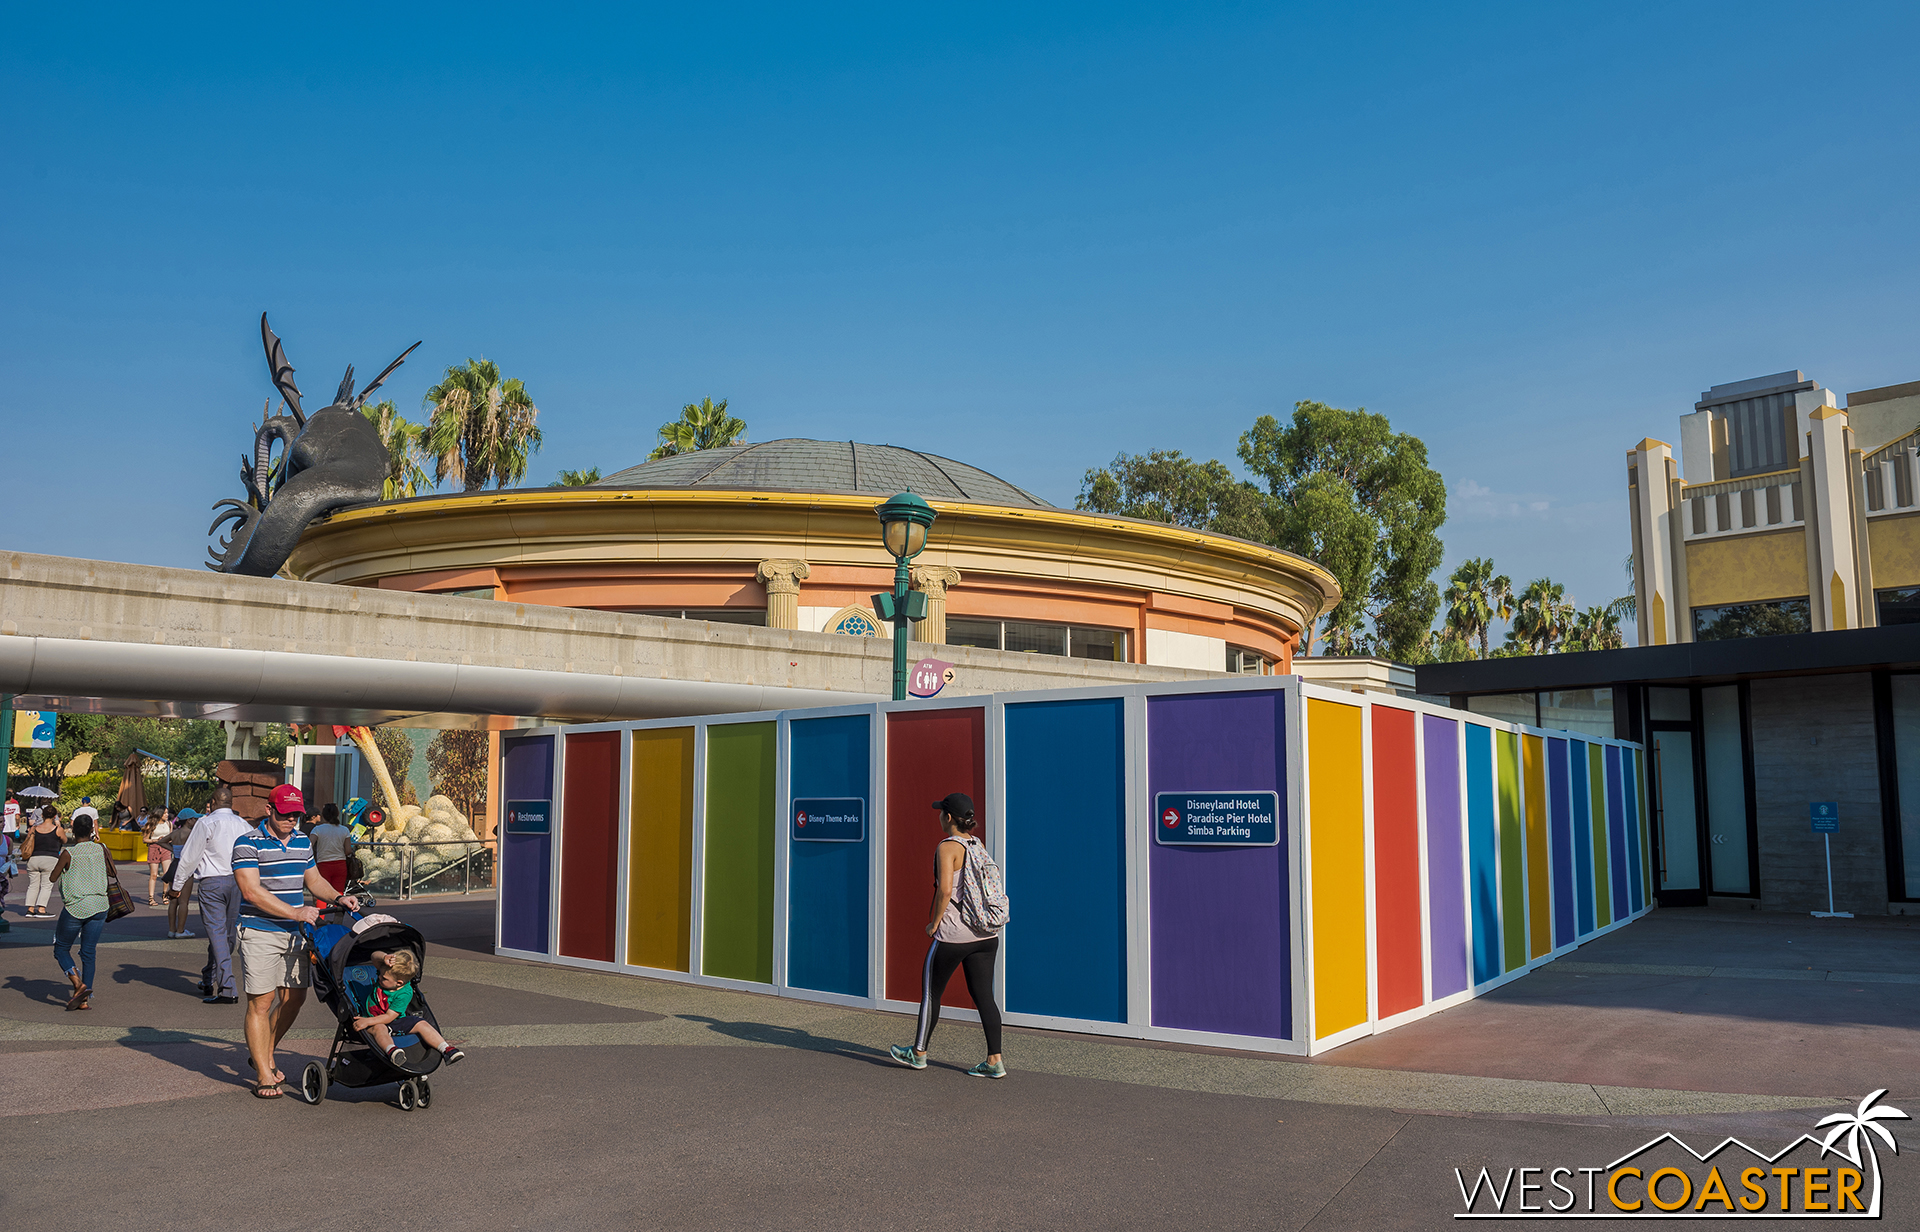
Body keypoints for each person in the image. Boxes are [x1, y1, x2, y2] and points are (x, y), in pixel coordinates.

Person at [232, 784, 358, 1099]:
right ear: (269, 810)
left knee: (294, 999)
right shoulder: (247, 842)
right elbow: (250, 891)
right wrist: (295, 911)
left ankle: (263, 1049)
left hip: (296, 932)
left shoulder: (302, 840)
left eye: (296, 815)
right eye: (286, 815)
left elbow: (313, 880)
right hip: (260, 930)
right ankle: (263, 1073)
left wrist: (339, 897)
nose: (291, 821)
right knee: (261, 1002)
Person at [889, 793, 1007, 1079]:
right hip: (985, 934)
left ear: (949, 818)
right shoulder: (977, 845)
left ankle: (918, 1053)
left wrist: (934, 923)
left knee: (931, 993)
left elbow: (944, 890)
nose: (939, 817)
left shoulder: (948, 847)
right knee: (984, 998)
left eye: (941, 813)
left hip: (955, 934)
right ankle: (994, 1061)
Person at [171, 788, 253, 1004]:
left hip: (212, 882)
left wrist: (177, 885)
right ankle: (209, 977)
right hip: (238, 881)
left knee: (217, 934)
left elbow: (190, 856)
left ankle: (227, 987)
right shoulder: (244, 825)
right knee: (226, 934)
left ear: (214, 802)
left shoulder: (206, 823)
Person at [351, 949, 465, 1066]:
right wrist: (384, 957)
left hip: (393, 1020)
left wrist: (368, 1021)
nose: (379, 978)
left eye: (384, 978)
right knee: (379, 1028)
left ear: (399, 983)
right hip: (374, 1022)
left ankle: (445, 1049)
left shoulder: (404, 993)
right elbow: (374, 956)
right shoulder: (386, 974)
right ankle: (392, 1051)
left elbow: (390, 1016)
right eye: (380, 974)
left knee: (421, 1023)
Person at [50, 814, 116, 1010]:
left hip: (76, 906)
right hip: (99, 905)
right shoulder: (102, 849)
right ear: (92, 831)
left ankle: (78, 984)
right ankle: (85, 998)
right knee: (88, 952)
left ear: (72, 831)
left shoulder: (68, 853)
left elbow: (53, 877)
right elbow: (112, 872)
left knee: (61, 948)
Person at [22, 806, 67, 918]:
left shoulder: (34, 828)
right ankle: (41, 909)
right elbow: (65, 840)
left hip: (33, 859)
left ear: (42, 815)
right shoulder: (57, 829)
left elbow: (28, 840)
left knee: (33, 885)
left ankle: (30, 909)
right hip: (50, 859)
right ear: (55, 816)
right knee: (46, 885)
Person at [164, 809, 199, 938]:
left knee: (173, 900)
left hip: (174, 864)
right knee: (184, 902)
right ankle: (180, 930)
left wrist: (173, 849)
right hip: (185, 866)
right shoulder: (191, 834)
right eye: (194, 819)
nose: (196, 821)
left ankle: (171, 929)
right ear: (189, 820)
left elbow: (160, 841)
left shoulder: (175, 833)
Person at [309, 804, 355, 894]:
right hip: (340, 864)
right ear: (337, 814)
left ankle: (321, 908)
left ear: (324, 816)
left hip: (323, 863)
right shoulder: (344, 830)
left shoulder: (317, 829)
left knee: (322, 892)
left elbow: (309, 845)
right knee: (338, 893)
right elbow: (348, 850)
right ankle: (337, 908)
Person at [142, 808, 174, 907]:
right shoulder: (150, 824)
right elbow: (145, 839)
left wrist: (168, 841)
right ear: (159, 814)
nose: (167, 815)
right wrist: (156, 840)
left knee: (166, 874)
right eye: (165, 813)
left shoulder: (169, 824)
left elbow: (171, 836)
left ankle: (165, 894)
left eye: (167, 813)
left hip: (166, 849)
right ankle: (151, 897)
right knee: (154, 875)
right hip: (154, 848)